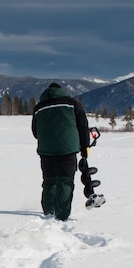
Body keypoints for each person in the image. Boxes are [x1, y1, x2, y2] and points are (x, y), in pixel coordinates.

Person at [31, 82, 91, 221]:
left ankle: (48, 211)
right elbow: (82, 126)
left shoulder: (39, 107)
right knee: (65, 182)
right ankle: (62, 215)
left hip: (45, 151)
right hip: (67, 150)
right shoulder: (72, 103)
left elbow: (35, 131)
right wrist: (85, 146)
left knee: (49, 181)